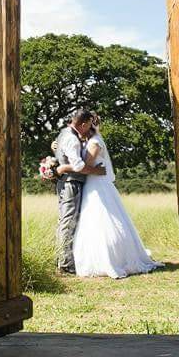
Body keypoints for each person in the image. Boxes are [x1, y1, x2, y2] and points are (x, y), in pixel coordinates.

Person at [56, 114, 163, 278]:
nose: (78, 132)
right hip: (91, 185)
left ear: (87, 127)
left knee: (102, 220)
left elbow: (86, 166)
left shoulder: (94, 143)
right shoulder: (87, 141)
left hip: (97, 187)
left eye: (81, 128)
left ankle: (109, 259)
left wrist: (62, 168)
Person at [52, 109, 106, 274]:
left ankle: (61, 259)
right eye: (89, 124)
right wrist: (97, 171)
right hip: (72, 183)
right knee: (68, 223)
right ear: (82, 124)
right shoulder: (73, 140)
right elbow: (78, 166)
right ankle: (66, 264)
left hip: (66, 182)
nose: (90, 127)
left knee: (64, 221)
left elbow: (57, 149)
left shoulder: (63, 133)